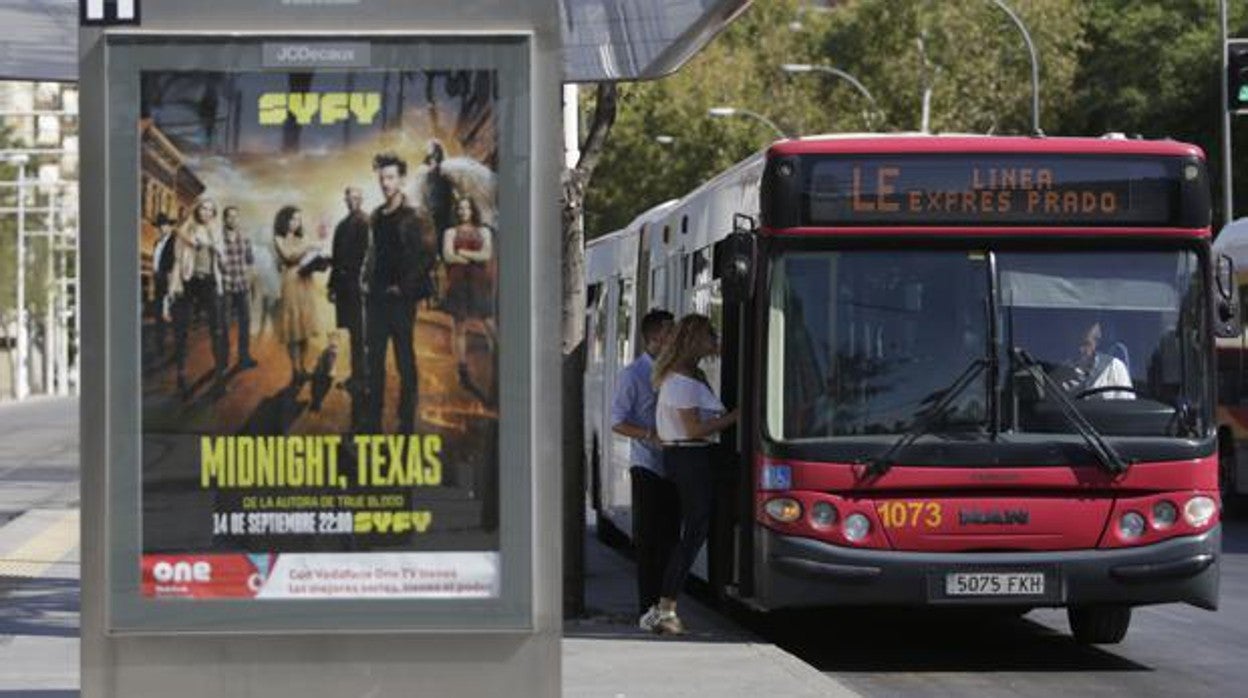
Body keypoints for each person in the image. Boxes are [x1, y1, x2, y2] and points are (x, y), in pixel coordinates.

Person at [650, 313, 738, 635]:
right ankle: (666, 607)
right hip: (690, 456)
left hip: (694, 456)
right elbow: (693, 429)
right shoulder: (682, 382)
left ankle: (665, 605)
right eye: (709, 334)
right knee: (694, 532)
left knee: (698, 529)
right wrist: (738, 416)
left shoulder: (691, 375)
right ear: (694, 340)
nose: (714, 339)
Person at [610, 309, 679, 632]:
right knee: (650, 543)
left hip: (674, 468)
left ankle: (666, 609)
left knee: (670, 541)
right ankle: (647, 609)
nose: (674, 338)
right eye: (669, 334)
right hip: (647, 466)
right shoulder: (633, 375)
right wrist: (650, 435)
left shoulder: (675, 374)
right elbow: (617, 421)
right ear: (653, 339)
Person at [362, 151, 437, 432]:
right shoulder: (376, 216)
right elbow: (374, 254)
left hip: (401, 299)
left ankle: (406, 421)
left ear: (401, 179)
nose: (385, 183)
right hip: (376, 298)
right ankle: (373, 419)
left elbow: (428, 256)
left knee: (404, 358)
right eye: (382, 178)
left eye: (390, 177)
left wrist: (403, 287)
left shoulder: (415, 215)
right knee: (375, 360)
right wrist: (366, 280)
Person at [167, 197, 228, 398]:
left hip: (209, 282)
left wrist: (218, 251)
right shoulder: (185, 231)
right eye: (203, 209)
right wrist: (174, 288)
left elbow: (224, 263)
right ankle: (181, 377)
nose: (206, 213)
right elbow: (177, 261)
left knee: (217, 330)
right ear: (197, 210)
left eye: (211, 210)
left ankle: (219, 378)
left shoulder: (217, 232)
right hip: (189, 281)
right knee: (181, 330)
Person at [442, 195, 495, 402]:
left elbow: (486, 254)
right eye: (460, 208)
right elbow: (448, 255)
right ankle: (463, 369)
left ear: (473, 210)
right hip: (458, 284)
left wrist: (462, 252)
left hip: (478, 284)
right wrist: (472, 255)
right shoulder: (450, 232)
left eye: (466, 208)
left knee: (489, 324)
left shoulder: (483, 231)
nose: (463, 211)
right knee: (459, 327)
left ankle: (498, 361)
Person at [272, 205, 324, 390]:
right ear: (284, 220)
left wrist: (318, 260)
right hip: (291, 283)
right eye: (293, 219)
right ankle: (295, 370)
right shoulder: (279, 238)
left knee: (304, 329)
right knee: (294, 330)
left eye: (299, 219)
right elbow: (289, 256)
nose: (296, 223)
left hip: (305, 282)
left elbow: (307, 256)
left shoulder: (302, 238)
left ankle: (302, 367)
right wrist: (308, 246)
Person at [329, 186, 370, 391]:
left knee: (362, 333)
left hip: (359, 285)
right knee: (353, 331)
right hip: (344, 285)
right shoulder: (341, 226)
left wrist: (365, 283)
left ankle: (364, 378)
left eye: (356, 197)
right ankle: (357, 376)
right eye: (349, 197)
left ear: (361, 199)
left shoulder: (366, 222)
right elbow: (336, 259)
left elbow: (369, 257)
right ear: (345, 199)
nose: (353, 200)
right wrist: (332, 286)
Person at [219, 206, 257, 370]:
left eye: (236, 217)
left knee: (245, 322)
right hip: (226, 285)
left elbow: (249, 261)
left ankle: (244, 357)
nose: (233, 219)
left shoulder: (245, 238)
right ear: (224, 219)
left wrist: (250, 280)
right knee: (225, 324)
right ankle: (224, 359)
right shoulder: (218, 238)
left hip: (242, 284)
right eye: (230, 217)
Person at [1063, 321, 1133, 400]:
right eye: (1077, 343)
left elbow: (1126, 406)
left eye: (1086, 344)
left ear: (1096, 343)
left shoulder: (1114, 368)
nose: (1080, 349)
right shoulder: (1060, 374)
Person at [149, 212, 178, 360]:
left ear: (169, 226)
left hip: (169, 281)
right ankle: (160, 349)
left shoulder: (174, 241)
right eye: (159, 226)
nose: (161, 228)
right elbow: (155, 264)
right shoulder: (157, 243)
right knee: (159, 316)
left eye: (164, 225)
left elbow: (174, 265)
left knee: (171, 316)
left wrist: (171, 286)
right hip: (158, 281)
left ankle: (176, 351)